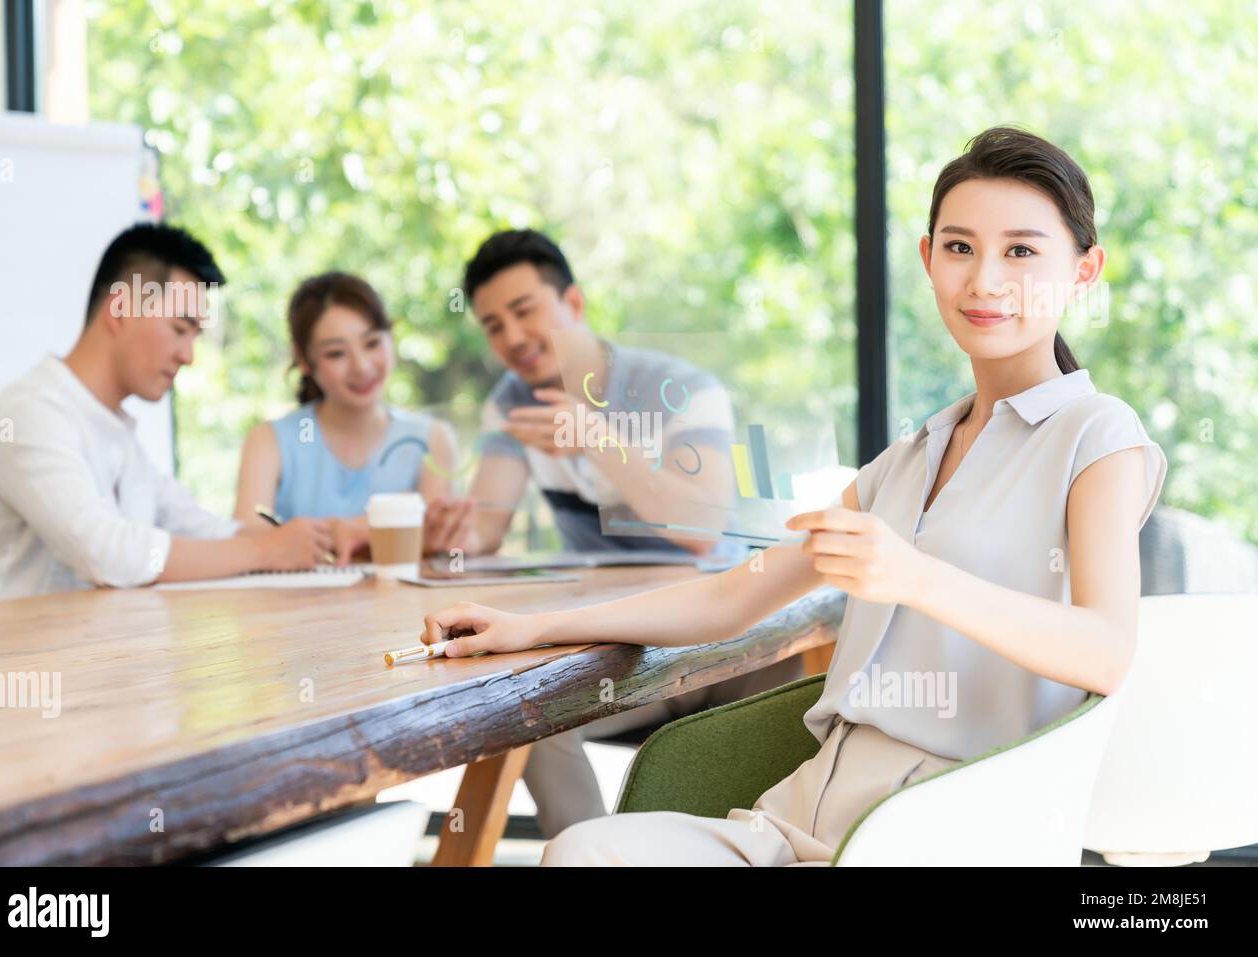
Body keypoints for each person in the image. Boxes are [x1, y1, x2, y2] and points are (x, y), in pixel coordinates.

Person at [419, 127, 1169, 865]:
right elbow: (731, 599)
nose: (985, 280)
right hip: (795, 819)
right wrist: (533, 627)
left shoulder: (1097, 435)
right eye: (960, 247)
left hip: (945, 827)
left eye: (1023, 251)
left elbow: (1105, 651)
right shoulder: (912, 454)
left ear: (1085, 268)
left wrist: (915, 575)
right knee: (586, 849)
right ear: (928, 258)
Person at [421, 228, 802, 839]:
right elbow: (485, 530)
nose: (512, 338)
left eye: (524, 311)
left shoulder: (682, 389)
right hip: (608, 637)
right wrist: (447, 532)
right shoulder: (512, 401)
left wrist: (596, 437)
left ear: (573, 304)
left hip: (710, 639)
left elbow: (701, 530)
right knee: (522, 714)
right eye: (493, 325)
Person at [0, 223, 333, 607]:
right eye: (179, 329)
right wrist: (265, 552)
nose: (188, 355)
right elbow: (104, 552)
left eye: (194, 336)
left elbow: (191, 524)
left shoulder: (114, 429)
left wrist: (292, 541)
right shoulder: (31, 413)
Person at [233, 272, 454, 562]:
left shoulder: (432, 439)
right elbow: (249, 544)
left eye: (372, 343)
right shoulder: (268, 440)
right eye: (336, 353)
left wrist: (351, 530)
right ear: (304, 361)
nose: (361, 367)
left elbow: (437, 538)